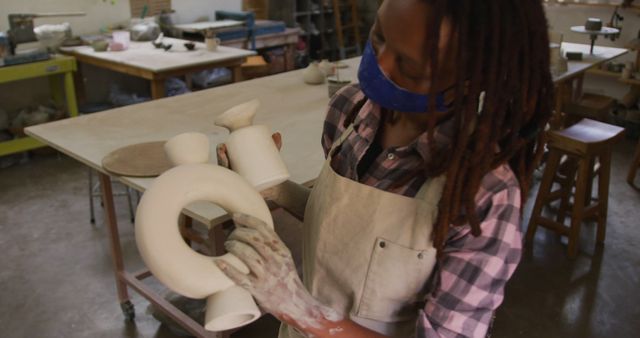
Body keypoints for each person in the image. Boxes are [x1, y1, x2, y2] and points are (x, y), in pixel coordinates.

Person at [215, 0, 554, 337]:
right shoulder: (348, 110)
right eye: (378, 36)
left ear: (472, 76)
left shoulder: (482, 192)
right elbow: (346, 224)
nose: (381, 64)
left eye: (409, 66)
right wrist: (276, 190)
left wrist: (301, 309)